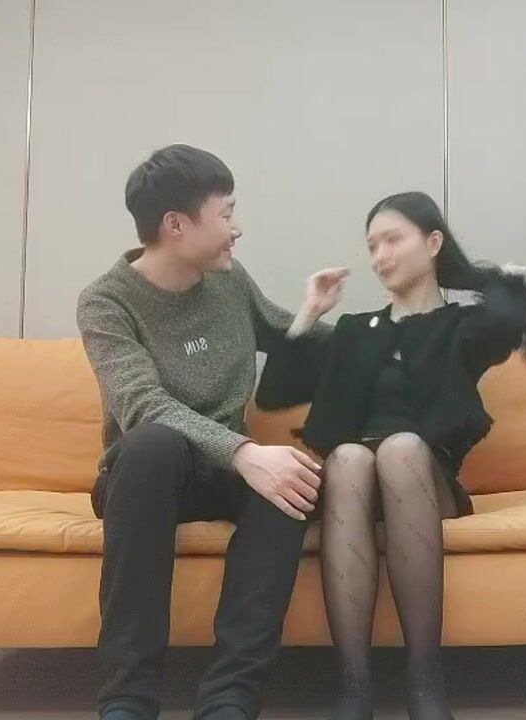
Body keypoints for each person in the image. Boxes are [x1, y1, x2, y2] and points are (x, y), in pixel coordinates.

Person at [256, 191, 526, 720]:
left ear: (433, 242)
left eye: (393, 240)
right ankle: (354, 688)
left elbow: (512, 314)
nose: (380, 256)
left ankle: (425, 681)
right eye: (372, 246)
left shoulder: (462, 328)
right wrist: (311, 310)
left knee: (399, 449)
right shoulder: (355, 331)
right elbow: (273, 393)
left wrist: (477, 273)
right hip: (353, 490)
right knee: (348, 457)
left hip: (424, 478)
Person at [77, 144, 348, 720]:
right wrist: (245, 451)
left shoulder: (228, 281)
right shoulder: (105, 302)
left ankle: (230, 698)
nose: (236, 228)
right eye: (226, 213)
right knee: (153, 444)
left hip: (221, 468)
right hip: (147, 477)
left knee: (290, 483)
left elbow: (281, 334)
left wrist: (319, 315)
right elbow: (141, 405)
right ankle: (127, 698)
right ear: (176, 224)